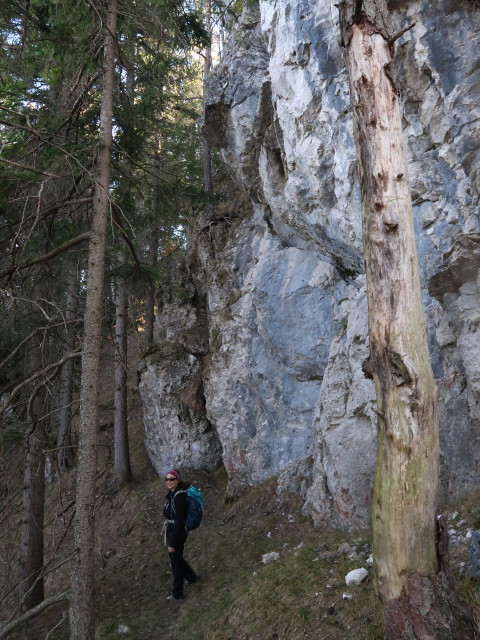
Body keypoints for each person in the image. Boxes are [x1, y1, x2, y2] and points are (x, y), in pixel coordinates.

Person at [163, 469, 198, 601]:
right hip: (176, 530)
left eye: (172, 479)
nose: (169, 481)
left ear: (177, 480)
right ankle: (191, 577)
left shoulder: (179, 497)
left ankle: (177, 594)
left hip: (177, 532)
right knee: (176, 558)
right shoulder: (174, 494)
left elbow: (178, 520)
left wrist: (171, 542)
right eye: (167, 479)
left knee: (175, 562)